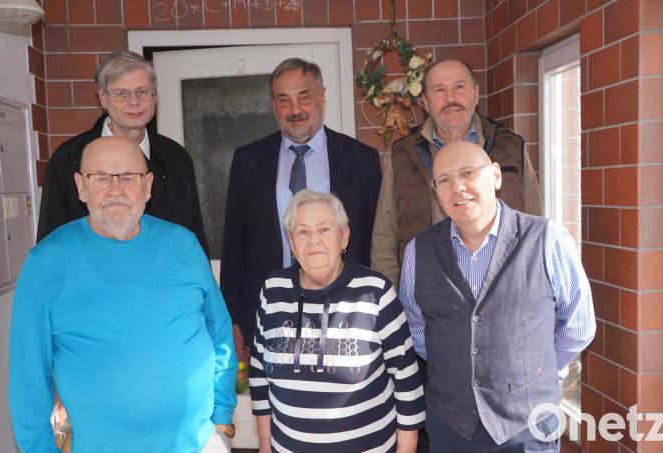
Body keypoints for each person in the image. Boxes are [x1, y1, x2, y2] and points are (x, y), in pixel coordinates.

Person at [9, 137, 237, 452]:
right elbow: (28, 376)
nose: (115, 190)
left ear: (148, 186)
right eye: (101, 178)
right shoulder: (47, 263)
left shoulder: (183, 245)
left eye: (128, 177)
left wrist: (222, 413)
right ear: (81, 187)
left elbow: (219, 329)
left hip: (198, 444)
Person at [399, 140, 595, 452]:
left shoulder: (548, 240)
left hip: (527, 426)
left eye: (467, 173)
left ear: (495, 176)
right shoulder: (418, 251)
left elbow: (578, 326)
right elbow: (416, 328)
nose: (458, 188)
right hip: (450, 427)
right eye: (445, 180)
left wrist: (535, 372)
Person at [221, 58, 382, 364]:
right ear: (273, 105)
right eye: (284, 100)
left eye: (304, 97)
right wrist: (234, 319)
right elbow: (234, 246)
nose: (295, 109)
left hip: (345, 311)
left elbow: (377, 240)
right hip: (270, 310)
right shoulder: (248, 161)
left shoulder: (361, 159)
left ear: (322, 96)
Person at [249, 190, 424, 452]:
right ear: (291, 243)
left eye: (324, 230)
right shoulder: (273, 290)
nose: (314, 241)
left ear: (344, 237)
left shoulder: (375, 291)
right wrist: (265, 442)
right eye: (303, 232)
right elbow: (259, 371)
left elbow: (406, 379)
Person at [371, 59, 542, 287]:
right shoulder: (403, 154)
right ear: (425, 102)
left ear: (475, 94)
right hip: (425, 297)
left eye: (459, 87)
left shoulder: (510, 147)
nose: (450, 99)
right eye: (439, 90)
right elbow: (385, 237)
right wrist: (389, 303)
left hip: (503, 289)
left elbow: (535, 223)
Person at [36, 50, 208, 253]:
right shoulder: (69, 159)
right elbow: (51, 244)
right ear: (103, 98)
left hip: (165, 282)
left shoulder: (177, 158)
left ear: (154, 96)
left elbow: (192, 236)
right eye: (121, 94)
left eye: (143, 91)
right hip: (96, 282)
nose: (134, 102)